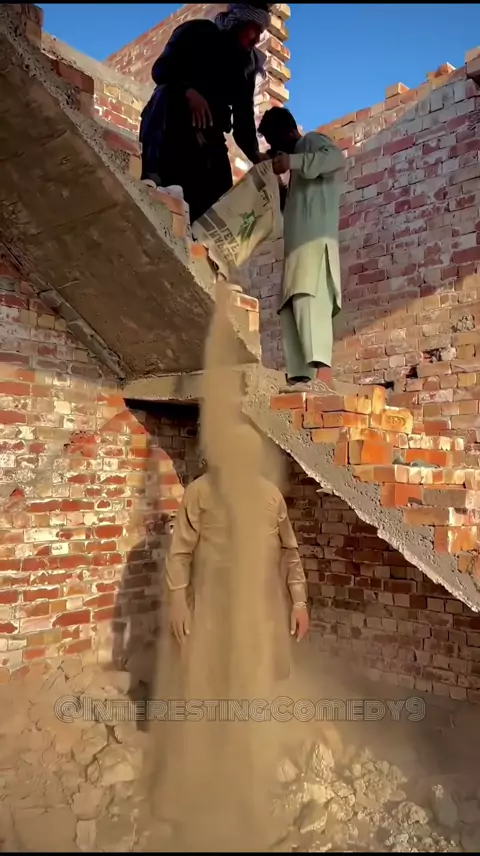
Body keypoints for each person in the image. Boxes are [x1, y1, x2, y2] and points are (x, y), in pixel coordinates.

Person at [139, 3, 272, 224]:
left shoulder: (246, 64)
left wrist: (255, 155)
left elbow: (243, 117)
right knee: (167, 94)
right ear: (239, 22)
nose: (257, 39)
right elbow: (161, 70)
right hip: (173, 122)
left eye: (261, 32)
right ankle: (153, 179)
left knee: (217, 209)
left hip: (209, 137)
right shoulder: (196, 32)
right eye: (255, 30)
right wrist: (188, 91)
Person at [258, 107, 346, 394]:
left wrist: (292, 161)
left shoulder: (310, 142)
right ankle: (300, 377)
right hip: (297, 249)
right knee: (291, 307)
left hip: (314, 245)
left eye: (275, 140)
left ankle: (323, 374)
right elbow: (291, 206)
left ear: (288, 132)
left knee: (310, 300)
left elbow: (336, 158)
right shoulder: (297, 169)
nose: (274, 148)